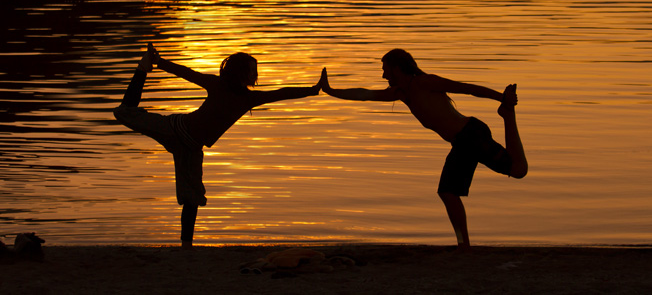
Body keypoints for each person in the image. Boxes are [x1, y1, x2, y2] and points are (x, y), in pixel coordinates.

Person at [114, 44, 324, 248]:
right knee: (124, 113)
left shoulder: (249, 98)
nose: (255, 75)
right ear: (240, 72)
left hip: (192, 148)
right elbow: (187, 73)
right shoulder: (217, 85)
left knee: (193, 195)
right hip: (175, 129)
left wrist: (314, 90)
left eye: (255, 71)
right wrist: (159, 62)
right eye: (252, 70)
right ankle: (143, 67)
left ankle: (186, 246)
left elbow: (282, 93)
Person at [320, 49, 527, 251]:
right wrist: (331, 91)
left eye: (385, 69)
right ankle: (463, 245)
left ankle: (508, 114)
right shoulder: (401, 93)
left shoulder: (424, 82)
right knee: (449, 192)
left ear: (397, 68)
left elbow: (465, 88)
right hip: (461, 142)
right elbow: (364, 94)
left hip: (471, 135)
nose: (383, 75)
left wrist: (502, 98)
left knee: (517, 170)